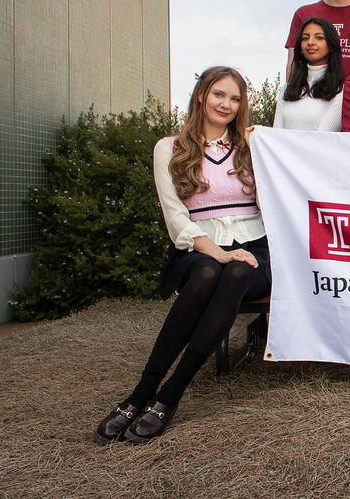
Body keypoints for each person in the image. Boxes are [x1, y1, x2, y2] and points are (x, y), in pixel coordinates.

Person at [95, 66, 274, 444]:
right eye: (218, 94)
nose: (226, 104)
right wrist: (219, 253)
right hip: (198, 246)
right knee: (210, 272)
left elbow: (274, 200)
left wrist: (264, 145)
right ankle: (143, 391)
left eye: (236, 98)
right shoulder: (169, 147)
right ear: (200, 95)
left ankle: (169, 395)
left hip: (256, 244)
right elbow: (175, 216)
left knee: (238, 274)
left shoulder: (251, 147)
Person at [274, 17, 345, 131]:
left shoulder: (341, 91)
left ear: (331, 45)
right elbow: (276, 133)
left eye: (319, 38)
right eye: (305, 38)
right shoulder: (286, 88)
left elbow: (323, 135)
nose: (310, 42)